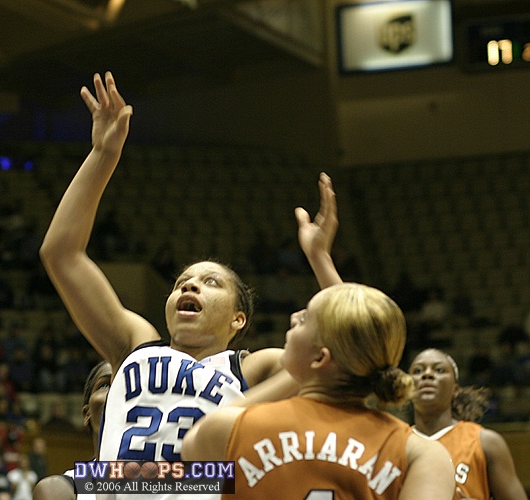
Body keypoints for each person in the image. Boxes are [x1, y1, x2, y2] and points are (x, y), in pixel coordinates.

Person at [39, 72, 341, 468]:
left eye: (210, 282)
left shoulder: (253, 366)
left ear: (238, 319)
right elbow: (61, 253)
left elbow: (347, 343)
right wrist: (102, 155)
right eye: (182, 282)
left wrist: (320, 258)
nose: (191, 287)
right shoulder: (136, 344)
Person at [181, 283, 456, 499]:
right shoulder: (423, 453)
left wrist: (293, 374)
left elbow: (191, 454)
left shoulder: (231, 428)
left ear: (320, 359)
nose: (293, 318)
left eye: (304, 319)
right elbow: (356, 334)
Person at [408, 348, 528, 500]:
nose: (427, 374)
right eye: (418, 370)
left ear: (455, 389)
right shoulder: (395, 444)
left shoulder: (486, 442)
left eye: (439, 369)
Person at [34, 360, 112, 500]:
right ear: (87, 413)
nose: (118, 392)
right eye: (105, 384)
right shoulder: (64, 489)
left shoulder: (160, 478)